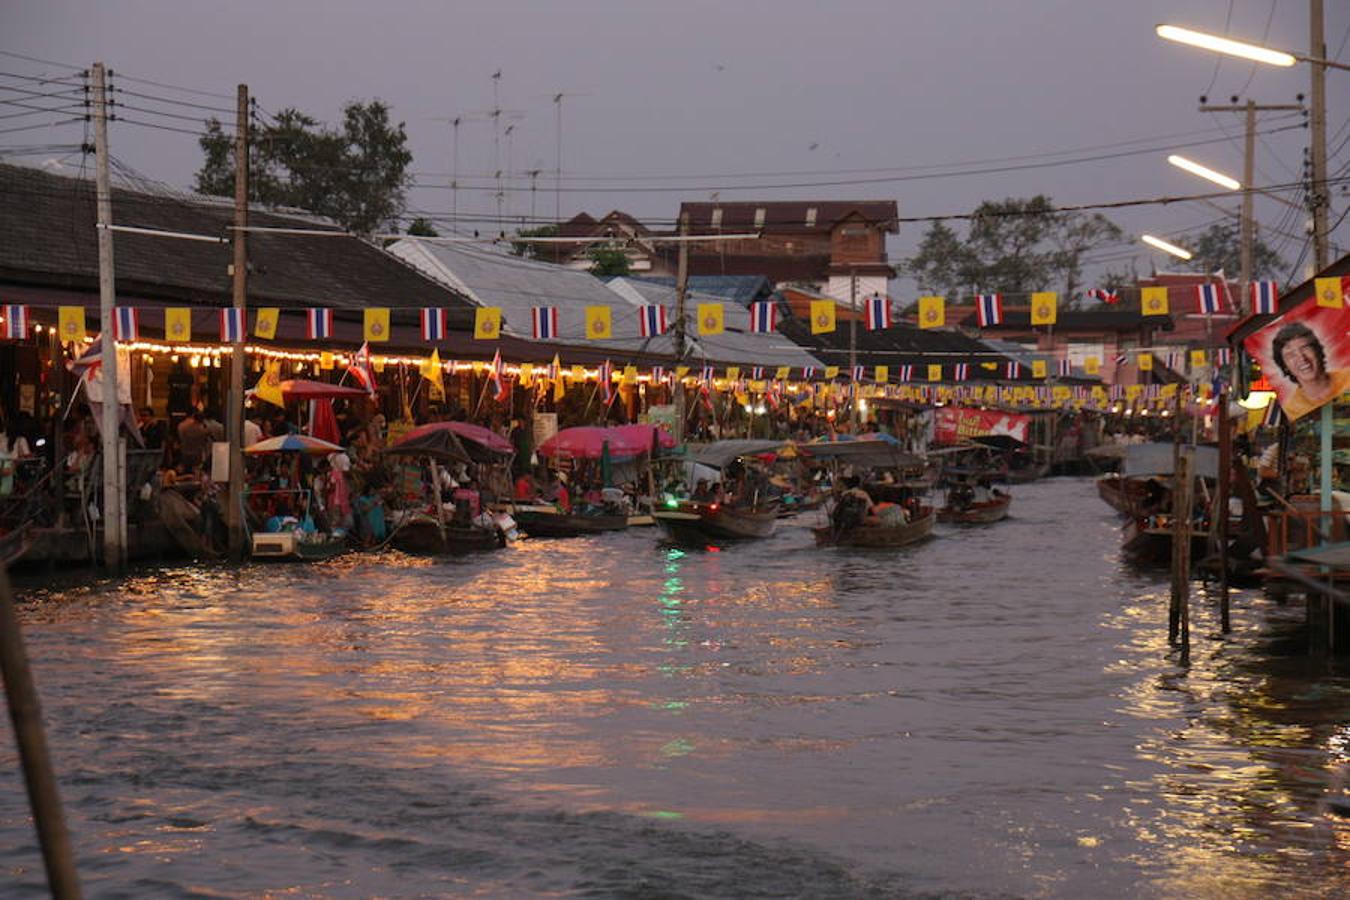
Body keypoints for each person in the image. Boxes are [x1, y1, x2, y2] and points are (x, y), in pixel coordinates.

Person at [1271, 321, 1350, 420]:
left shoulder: (1347, 377)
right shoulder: (1292, 409)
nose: (1301, 358)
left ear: (1318, 351)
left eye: (1305, 348)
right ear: (1285, 366)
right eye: (1290, 355)